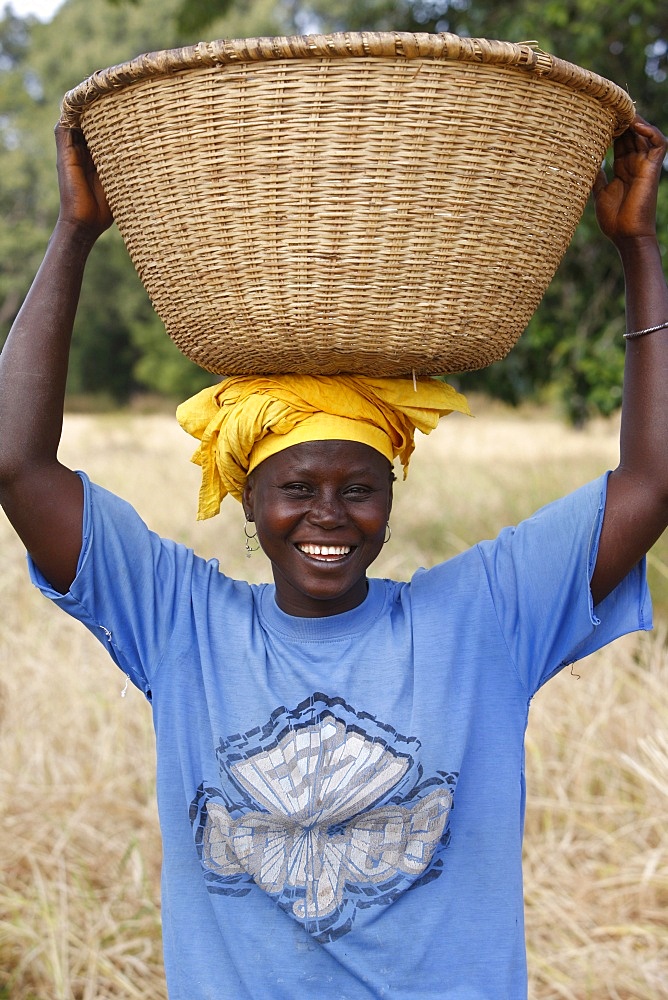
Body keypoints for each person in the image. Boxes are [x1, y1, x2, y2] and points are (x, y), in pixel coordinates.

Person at [0, 115, 666, 1000]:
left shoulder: (483, 619)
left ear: (389, 500)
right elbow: (16, 463)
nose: (329, 516)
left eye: (359, 489)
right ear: (248, 500)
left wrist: (638, 248)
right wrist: (76, 231)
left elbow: (653, 481)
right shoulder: (181, 624)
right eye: (297, 489)